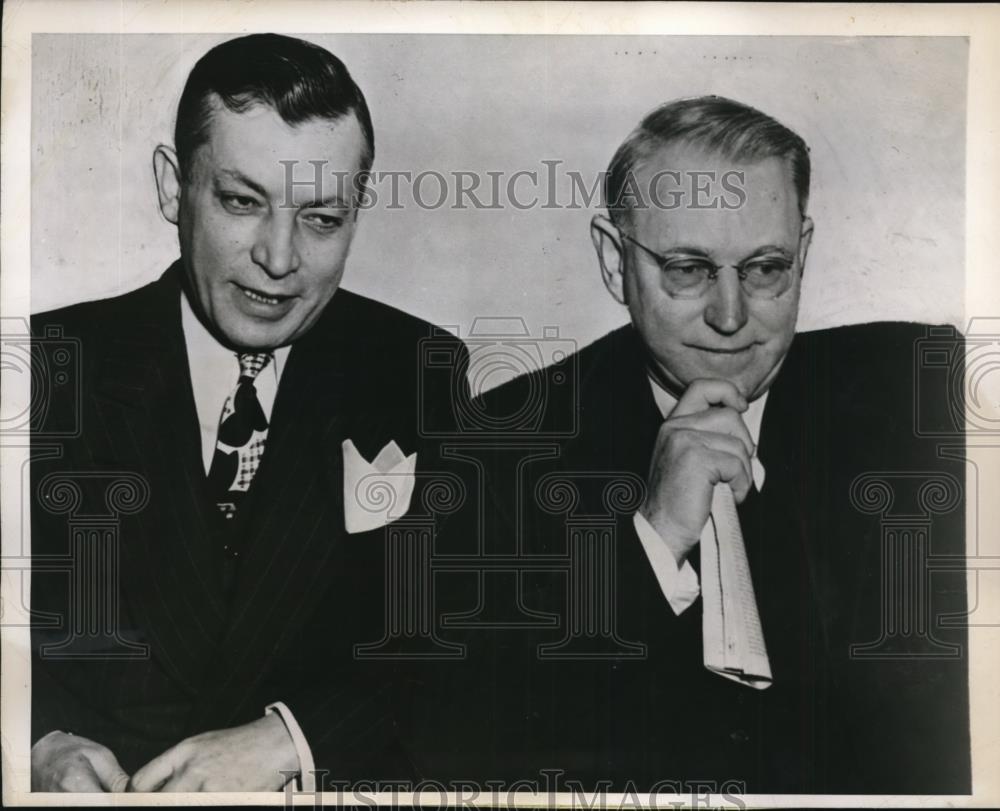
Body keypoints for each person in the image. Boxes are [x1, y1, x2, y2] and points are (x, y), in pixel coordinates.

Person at [406, 96, 970, 794]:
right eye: (688, 269)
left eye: (765, 268)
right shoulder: (497, 444)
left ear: (805, 252)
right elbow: (468, 749)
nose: (730, 316)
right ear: (616, 263)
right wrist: (653, 537)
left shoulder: (921, 397)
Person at [30, 33, 466, 792]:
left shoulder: (419, 369)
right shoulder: (43, 368)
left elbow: (457, 650)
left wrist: (293, 740)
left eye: (323, 219)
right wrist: (35, 742)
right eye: (242, 201)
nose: (279, 257)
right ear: (174, 188)